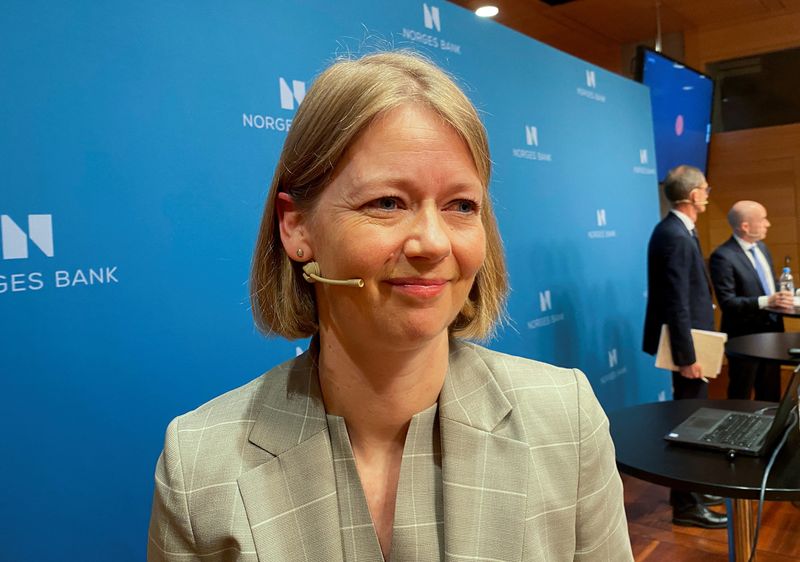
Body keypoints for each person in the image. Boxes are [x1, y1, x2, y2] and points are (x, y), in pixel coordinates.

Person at [147, 52, 633, 561]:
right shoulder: (200, 464)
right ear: (296, 227)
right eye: (387, 203)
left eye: (461, 206)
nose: (433, 243)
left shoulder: (565, 421)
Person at [642, 164, 728, 529]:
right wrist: (687, 358)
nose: (708, 194)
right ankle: (686, 503)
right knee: (689, 424)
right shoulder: (674, 234)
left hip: (693, 341)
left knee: (695, 419)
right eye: (705, 189)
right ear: (693, 195)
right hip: (688, 348)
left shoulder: (679, 230)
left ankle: (694, 489)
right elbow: (676, 301)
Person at [710, 201, 793, 401]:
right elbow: (728, 303)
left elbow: (770, 286)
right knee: (742, 393)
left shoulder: (762, 248)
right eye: (763, 219)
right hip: (744, 337)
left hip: (772, 333)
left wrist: (787, 295)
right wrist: (768, 301)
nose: (768, 224)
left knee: (771, 392)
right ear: (745, 226)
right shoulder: (723, 257)